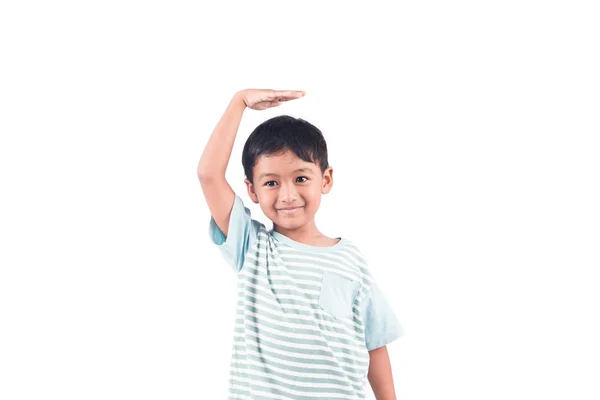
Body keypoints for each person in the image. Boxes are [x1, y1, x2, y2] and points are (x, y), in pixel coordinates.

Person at [197, 89, 405, 399]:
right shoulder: (252, 248)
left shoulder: (350, 258)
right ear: (251, 191)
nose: (288, 195)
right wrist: (239, 101)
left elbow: (373, 342)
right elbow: (208, 174)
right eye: (271, 182)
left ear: (326, 179)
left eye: (301, 178)